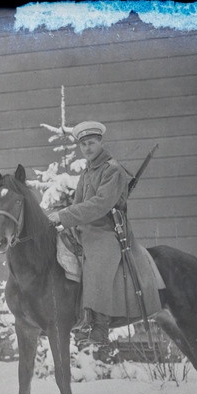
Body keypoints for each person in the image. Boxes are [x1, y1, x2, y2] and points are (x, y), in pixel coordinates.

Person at [47, 120, 164, 347]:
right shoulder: (87, 172)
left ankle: (99, 325)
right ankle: (76, 316)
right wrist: (65, 224)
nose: (87, 148)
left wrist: (63, 215)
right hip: (84, 228)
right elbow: (78, 203)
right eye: (83, 145)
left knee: (98, 257)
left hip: (107, 230)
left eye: (91, 143)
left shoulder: (113, 169)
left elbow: (100, 204)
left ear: (101, 142)